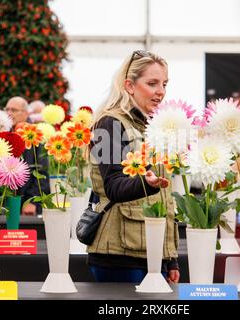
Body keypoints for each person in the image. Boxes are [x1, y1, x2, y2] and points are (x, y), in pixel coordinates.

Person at [87, 50, 180, 284]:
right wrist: (146, 184)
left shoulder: (154, 127)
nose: (161, 91)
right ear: (129, 85)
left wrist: (170, 260)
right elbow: (113, 187)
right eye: (152, 83)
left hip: (153, 254)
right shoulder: (108, 124)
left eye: (164, 84)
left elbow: (164, 198)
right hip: (118, 257)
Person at [5, 96, 50, 216]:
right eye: (7, 109)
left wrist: (33, 202)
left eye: (14, 110)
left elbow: (42, 173)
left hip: (28, 205)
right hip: (6, 202)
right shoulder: (5, 134)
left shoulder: (35, 135)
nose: (9, 113)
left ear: (25, 113)